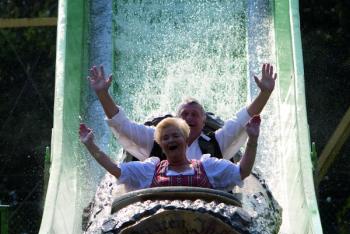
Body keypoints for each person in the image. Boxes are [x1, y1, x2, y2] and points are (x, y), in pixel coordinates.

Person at [88, 63, 276, 161]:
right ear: (175, 121)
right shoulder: (155, 141)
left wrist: (264, 93)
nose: (189, 118)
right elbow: (123, 126)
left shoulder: (215, 145)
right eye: (184, 115)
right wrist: (103, 94)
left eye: (195, 115)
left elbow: (243, 119)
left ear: (204, 122)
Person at [79, 114, 261, 192]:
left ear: (185, 139)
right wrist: (91, 146)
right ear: (161, 144)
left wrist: (252, 139)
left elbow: (241, 172)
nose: (171, 140)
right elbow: (116, 170)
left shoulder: (207, 166)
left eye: (176, 136)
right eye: (165, 138)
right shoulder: (150, 169)